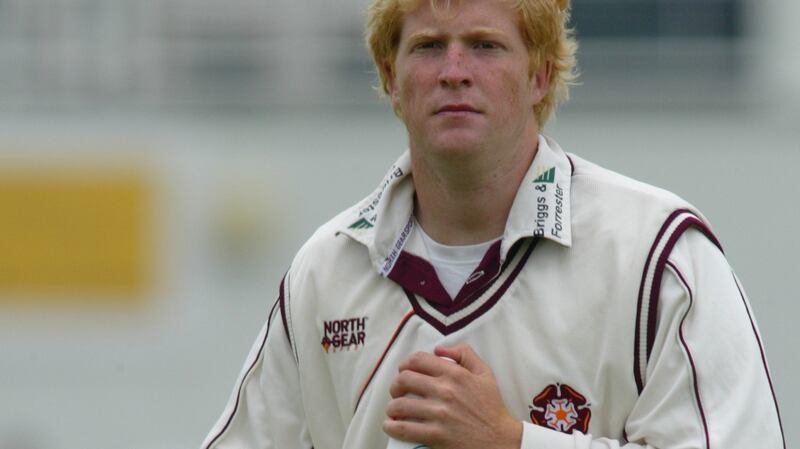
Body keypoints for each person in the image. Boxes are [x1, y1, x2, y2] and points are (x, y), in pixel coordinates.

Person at [202, 0, 785, 448]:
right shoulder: (325, 271)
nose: (454, 71)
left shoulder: (659, 256)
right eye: (429, 46)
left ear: (540, 75)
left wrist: (510, 440)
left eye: (484, 45)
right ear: (389, 76)